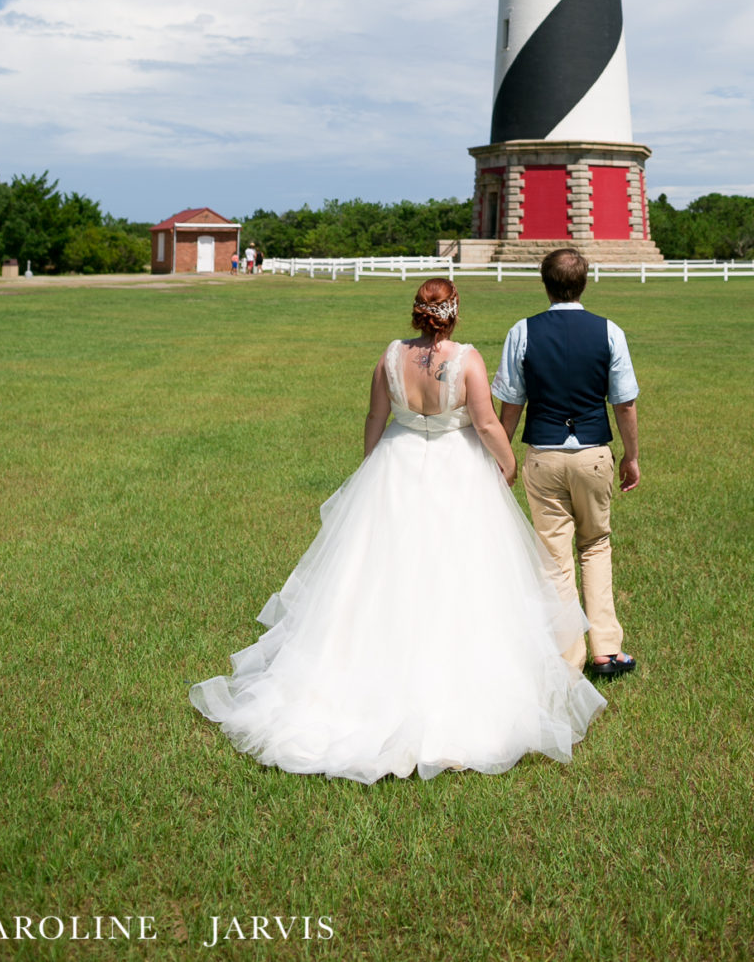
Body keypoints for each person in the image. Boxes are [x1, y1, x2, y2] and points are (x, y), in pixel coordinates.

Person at [189, 278, 605, 782]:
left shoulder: (390, 356)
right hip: (458, 471)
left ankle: (359, 688)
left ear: (416, 313)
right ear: (453, 314)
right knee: (461, 576)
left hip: (397, 463)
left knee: (382, 574)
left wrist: (370, 465)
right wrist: (507, 462)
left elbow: (376, 415)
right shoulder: (467, 359)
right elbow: (487, 422)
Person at [494, 247, 640, 680]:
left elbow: (511, 402)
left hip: (543, 451)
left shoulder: (522, 331)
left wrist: (503, 456)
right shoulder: (609, 331)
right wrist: (631, 456)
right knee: (595, 545)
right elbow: (624, 403)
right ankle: (607, 650)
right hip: (594, 452)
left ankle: (567, 654)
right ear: (585, 282)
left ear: (545, 283)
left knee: (554, 558)